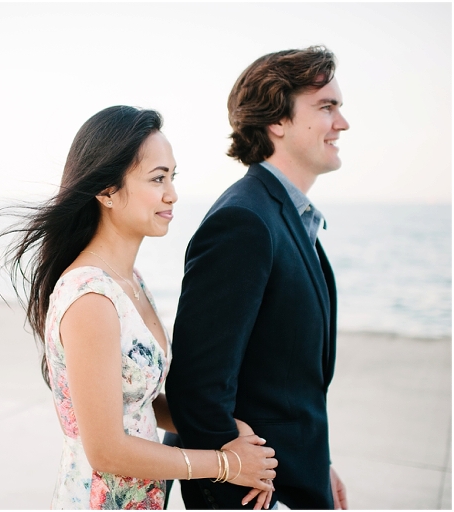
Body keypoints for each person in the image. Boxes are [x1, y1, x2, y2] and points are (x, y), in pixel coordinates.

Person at [0, 105, 277, 509]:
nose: (171, 193)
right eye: (157, 178)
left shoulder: (129, 282)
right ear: (106, 191)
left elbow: (136, 402)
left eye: (172, 177)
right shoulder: (91, 298)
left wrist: (226, 430)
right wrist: (225, 464)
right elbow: (105, 450)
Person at [164, 46, 350, 509]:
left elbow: (281, 384)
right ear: (277, 122)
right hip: (258, 496)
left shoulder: (289, 218)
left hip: (297, 479)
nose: (341, 123)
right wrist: (236, 484)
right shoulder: (244, 222)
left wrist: (315, 463)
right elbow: (197, 388)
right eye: (327, 107)